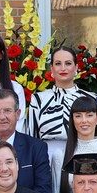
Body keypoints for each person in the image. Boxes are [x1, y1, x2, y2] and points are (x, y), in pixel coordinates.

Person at [28, 45, 85, 179]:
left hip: (81, 159)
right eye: (58, 64)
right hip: (46, 160)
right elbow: (32, 136)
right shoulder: (38, 99)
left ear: (76, 68)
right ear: (52, 69)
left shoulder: (90, 98)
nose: (63, 68)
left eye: (68, 63)